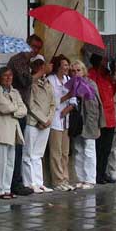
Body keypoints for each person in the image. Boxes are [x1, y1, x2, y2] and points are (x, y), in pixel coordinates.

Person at [7, 34, 43, 196]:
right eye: (33, 47)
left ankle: (17, 180)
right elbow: (25, 81)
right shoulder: (18, 60)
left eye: (38, 48)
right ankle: (15, 182)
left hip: (23, 109)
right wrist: (41, 72)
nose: (35, 51)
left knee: (20, 148)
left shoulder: (27, 62)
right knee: (16, 149)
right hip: (15, 109)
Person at [0, 67, 27, 199]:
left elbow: (24, 109)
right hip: (0, 131)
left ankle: (6, 189)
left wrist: (14, 110)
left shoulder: (15, 91)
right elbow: (3, 106)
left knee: (10, 162)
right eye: (5, 75)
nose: (8, 78)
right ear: (0, 77)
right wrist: (15, 110)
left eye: (10, 75)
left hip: (13, 131)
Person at [22, 56, 55, 193]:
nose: (40, 66)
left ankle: (39, 182)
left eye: (42, 64)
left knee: (38, 154)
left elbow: (53, 103)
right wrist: (42, 119)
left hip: (45, 123)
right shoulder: (31, 82)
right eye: (37, 64)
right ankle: (29, 182)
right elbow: (30, 105)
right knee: (28, 154)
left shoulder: (47, 83)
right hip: (33, 122)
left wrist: (48, 119)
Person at [70, 60, 105, 189]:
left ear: (84, 71)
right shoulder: (70, 84)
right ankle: (81, 177)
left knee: (89, 149)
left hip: (89, 120)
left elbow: (95, 104)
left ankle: (90, 178)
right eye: (73, 71)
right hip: (76, 120)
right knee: (78, 150)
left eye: (78, 70)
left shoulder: (90, 84)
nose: (76, 73)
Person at [47, 55, 76, 191]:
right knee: (56, 152)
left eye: (67, 65)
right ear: (58, 66)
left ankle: (65, 178)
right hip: (55, 120)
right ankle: (57, 180)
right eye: (64, 65)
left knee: (65, 152)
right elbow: (51, 100)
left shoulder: (68, 79)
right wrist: (67, 97)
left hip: (66, 119)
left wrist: (68, 108)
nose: (67, 68)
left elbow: (74, 100)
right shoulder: (50, 81)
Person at [88, 54, 116, 184]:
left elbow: (112, 92)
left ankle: (103, 172)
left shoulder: (107, 75)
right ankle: (97, 174)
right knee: (99, 148)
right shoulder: (93, 74)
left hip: (110, 115)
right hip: (101, 115)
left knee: (106, 148)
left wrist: (115, 79)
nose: (107, 62)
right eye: (105, 60)